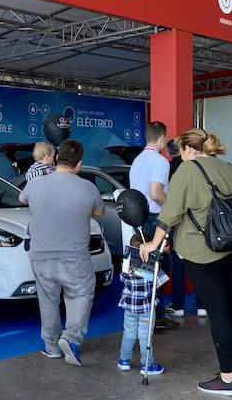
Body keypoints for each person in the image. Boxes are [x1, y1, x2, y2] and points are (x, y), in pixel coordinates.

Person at [139, 129, 232, 397]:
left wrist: (153, 242)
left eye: (181, 151)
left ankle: (227, 378)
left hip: (204, 253)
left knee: (218, 313)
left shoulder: (188, 170)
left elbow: (171, 213)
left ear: (189, 149)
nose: (181, 156)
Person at [19, 139, 106, 366]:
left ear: (57, 158)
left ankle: (51, 347)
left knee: (48, 299)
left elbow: (22, 198)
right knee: (81, 294)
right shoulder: (88, 187)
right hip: (74, 256)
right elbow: (99, 210)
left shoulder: (37, 183)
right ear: (79, 164)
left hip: (41, 254)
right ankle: (71, 337)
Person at [130, 121, 175, 327]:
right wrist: (174, 206)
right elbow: (156, 194)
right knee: (159, 266)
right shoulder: (160, 161)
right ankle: (156, 318)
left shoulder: (137, 161)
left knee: (144, 269)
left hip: (137, 219)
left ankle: (148, 316)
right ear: (162, 139)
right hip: (154, 218)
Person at [164, 136, 205, 319]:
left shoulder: (171, 169)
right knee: (201, 264)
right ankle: (203, 305)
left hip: (179, 224)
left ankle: (178, 305)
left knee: (178, 266)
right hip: (199, 224)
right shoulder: (199, 169)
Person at [117, 233, 164, 375]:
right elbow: (159, 282)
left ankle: (124, 361)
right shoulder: (151, 265)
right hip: (146, 307)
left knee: (129, 333)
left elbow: (122, 279)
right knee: (145, 336)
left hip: (130, 305)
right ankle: (147, 365)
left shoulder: (126, 263)